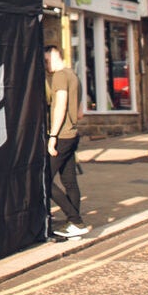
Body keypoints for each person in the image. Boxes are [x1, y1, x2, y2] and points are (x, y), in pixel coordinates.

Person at [46, 44, 89, 239]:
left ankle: (75, 219)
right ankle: (74, 224)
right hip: (73, 134)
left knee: (45, 179)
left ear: (55, 56)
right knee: (69, 181)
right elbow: (80, 113)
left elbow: (61, 106)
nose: (45, 65)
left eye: (46, 60)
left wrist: (53, 136)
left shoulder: (60, 76)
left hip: (62, 136)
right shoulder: (73, 75)